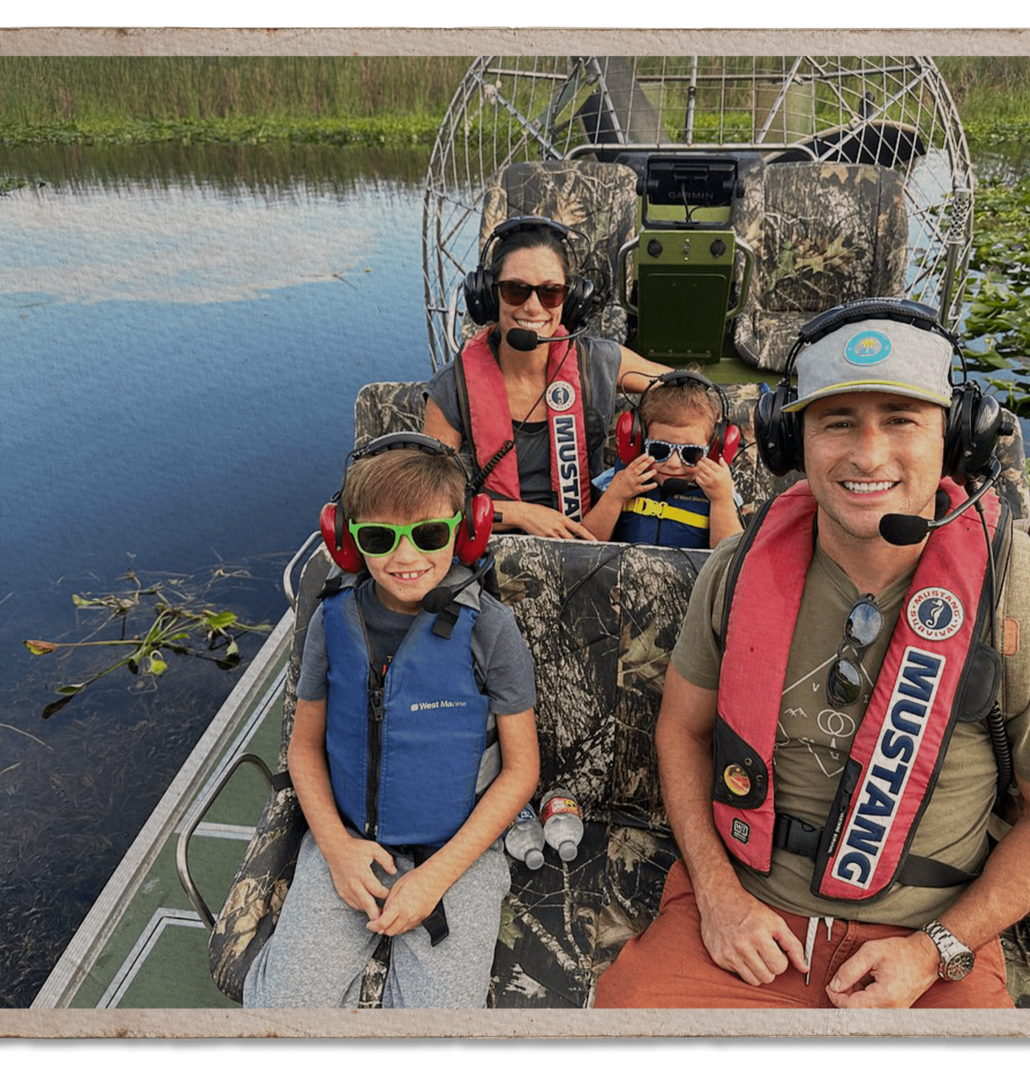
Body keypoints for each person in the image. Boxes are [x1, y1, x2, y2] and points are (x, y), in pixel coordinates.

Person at [593, 301, 1030, 1009]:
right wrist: (715, 894)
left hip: (925, 936)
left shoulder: (1020, 600)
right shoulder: (734, 570)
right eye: (837, 421)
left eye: (901, 418)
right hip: (744, 913)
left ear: (953, 438)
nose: (868, 454)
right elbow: (682, 731)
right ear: (790, 439)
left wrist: (937, 950)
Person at [243, 436, 539, 1008]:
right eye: (379, 538)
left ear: (466, 530)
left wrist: (435, 878)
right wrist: (334, 848)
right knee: (278, 1011)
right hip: (350, 840)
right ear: (347, 542)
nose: (406, 558)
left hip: (457, 854)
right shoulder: (331, 622)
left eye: (429, 535)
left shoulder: (492, 631)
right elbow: (303, 750)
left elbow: (522, 770)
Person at [423, 215, 667, 540]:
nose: (533, 307)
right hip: (489, 549)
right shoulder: (451, 389)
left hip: (586, 543)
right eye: (515, 290)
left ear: (571, 300)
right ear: (488, 295)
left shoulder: (596, 361)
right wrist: (522, 514)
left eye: (550, 293)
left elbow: (680, 384)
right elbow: (432, 504)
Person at [583, 371, 743, 547]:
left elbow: (728, 559)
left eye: (691, 453)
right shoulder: (618, 482)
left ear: (713, 449)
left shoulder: (720, 494)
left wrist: (721, 500)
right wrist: (615, 496)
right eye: (659, 449)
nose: (674, 464)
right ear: (639, 441)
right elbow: (586, 546)